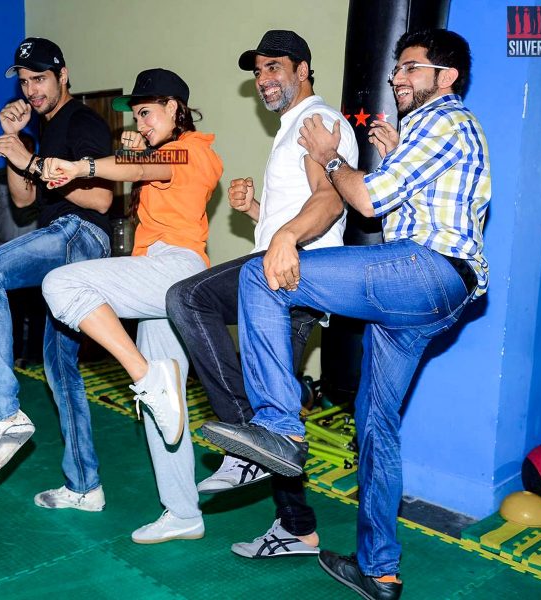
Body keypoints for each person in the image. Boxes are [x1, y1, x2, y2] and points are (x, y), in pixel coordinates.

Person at [202, 29, 490, 600]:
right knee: (376, 426)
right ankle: (379, 569)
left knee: (262, 275)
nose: (397, 79)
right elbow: (393, 209)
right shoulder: (427, 131)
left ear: (446, 76)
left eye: (410, 69)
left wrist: (329, 154)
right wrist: (387, 154)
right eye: (395, 70)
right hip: (426, 299)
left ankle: (280, 427)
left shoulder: (447, 118)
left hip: (424, 272)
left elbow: (363, 202)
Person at [167, 30, 358, 558]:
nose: (264, 79)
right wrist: (259, 213)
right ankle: (296, 526)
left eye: (274, 67)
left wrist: (286, 235)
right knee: (278, 423)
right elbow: (302, 206)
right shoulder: (291, 127)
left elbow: (331, 201)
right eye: (258, 72)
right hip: (282, 275)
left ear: (303, 69)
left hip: (293, 277)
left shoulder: (319, 124)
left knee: (188, 298)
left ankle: (248, 436)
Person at [39, 68, 222, 542]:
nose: (139, 121)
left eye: (146, 111)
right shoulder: (160, 149)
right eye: (135, 113)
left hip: (176, 268)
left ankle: (143, 376)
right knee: (168, 411)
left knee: (61, 285)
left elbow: (146, 168)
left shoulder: (195, 150)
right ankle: (183, 512)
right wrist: (130, 149)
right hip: (158, 280)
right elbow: (140, 164)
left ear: (175, 108)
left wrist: (82, 167)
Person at [0, 37, 112, 489]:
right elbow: (25, 200)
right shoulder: (41, 131)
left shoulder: (82, 120)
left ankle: (3, 415)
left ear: (63, 75)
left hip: (78, 236)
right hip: (56, 242)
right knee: (60, 369)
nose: (31, 90)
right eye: (25, 82)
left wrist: (33, 158)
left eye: (40, 78)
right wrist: (14, 145)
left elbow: (102, 198)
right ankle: (85, 487)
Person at [0, 134, 45, 365]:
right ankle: (11, 355)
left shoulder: (44, 174)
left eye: (28, 148)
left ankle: (33, 355)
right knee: (11, 309)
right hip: (7, 252)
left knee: (37, 310)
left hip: (39, 254)